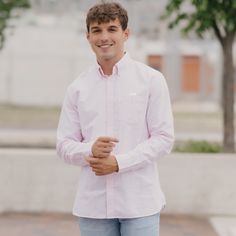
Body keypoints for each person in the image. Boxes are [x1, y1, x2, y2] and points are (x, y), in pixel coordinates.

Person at [56, 2, 174, 236]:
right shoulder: (77, 88)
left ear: (125, 34)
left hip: (139, 203)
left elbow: (163, 139)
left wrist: (119, 163)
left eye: (112, 29)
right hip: (93, 207)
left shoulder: (151, 80)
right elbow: (63, 145)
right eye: (97, 30)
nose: (104, 37)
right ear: (88, 36)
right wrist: (91, 149)